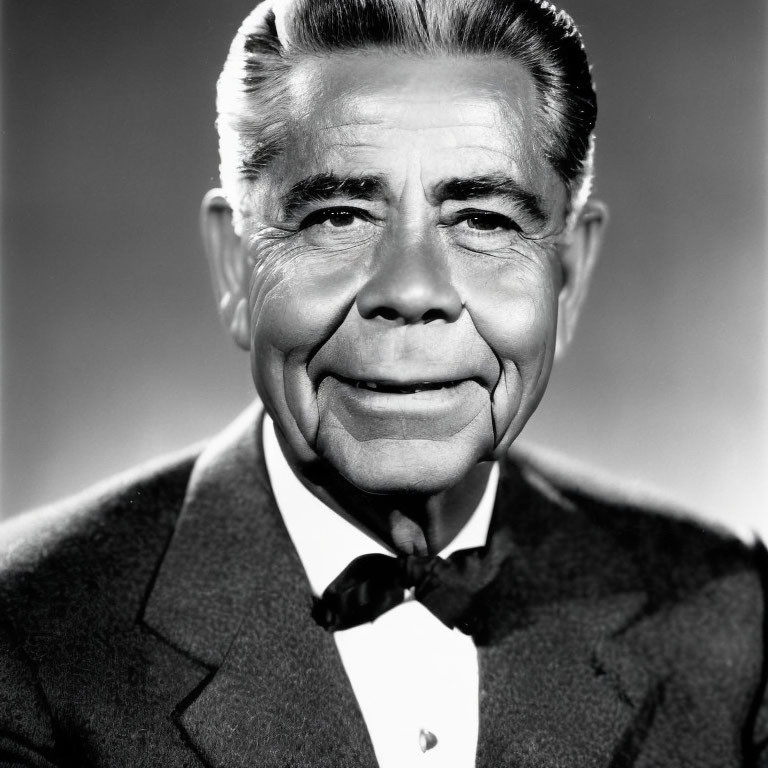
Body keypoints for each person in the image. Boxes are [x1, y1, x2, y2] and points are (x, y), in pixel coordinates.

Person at [0, 0, 766, 766]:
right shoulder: (25, 636)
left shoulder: (729, 618)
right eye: (338, 217)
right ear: (236, 266)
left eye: (485, 220)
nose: (410, 289)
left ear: (567, 277)